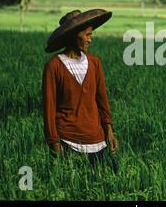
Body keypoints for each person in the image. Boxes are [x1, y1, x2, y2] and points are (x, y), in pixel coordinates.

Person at [42, 9, 118, 168]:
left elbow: (102, 100)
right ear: (73, 35)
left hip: (97, 140)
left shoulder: (94, 63)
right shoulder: (54, 66)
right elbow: (49, 108)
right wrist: (54, 144)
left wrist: (109, 131)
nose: (90, 40)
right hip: (68, 141)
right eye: (87, 35)